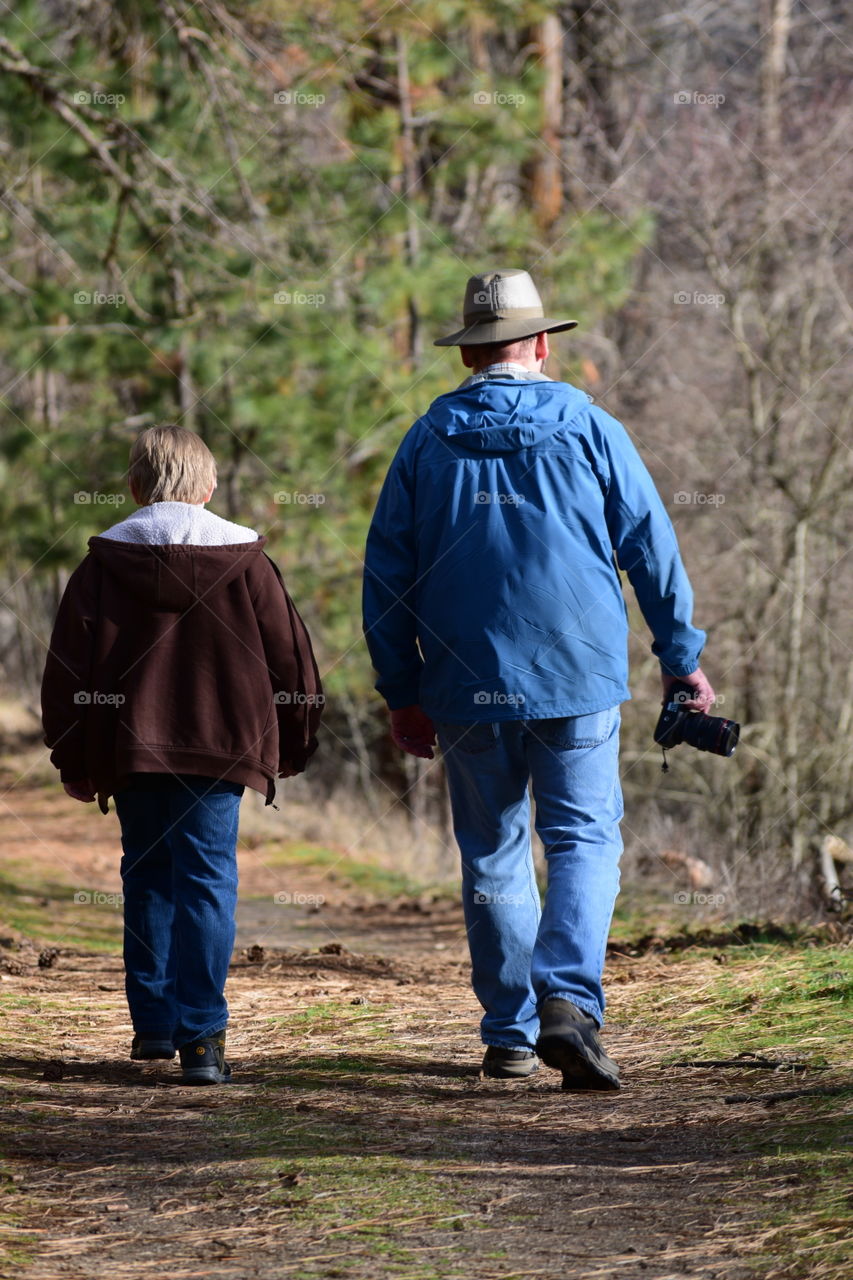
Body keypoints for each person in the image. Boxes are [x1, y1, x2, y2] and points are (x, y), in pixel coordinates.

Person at [363, 269, 713, 1090]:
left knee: (491, 850)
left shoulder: (424, 441)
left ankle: (510, 1035)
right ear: (542, 343)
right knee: (584, 838)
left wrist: (399, 688)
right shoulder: (590, 426)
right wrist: (680, 656)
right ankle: (567, 1002)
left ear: (468, 356)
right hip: (578, 675)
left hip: (460, 679)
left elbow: (385, 576)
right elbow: (650, 550)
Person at [41, 425, 322, 1084]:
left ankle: (155, 1027)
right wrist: (294, 740)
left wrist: (73, 757)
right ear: (209, 486)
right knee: (204, 881)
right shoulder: (246, 562)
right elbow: (293, 663)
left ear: (135, 487)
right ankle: (201, 1040)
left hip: (130, 747)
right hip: (220, 750)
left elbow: (66, 671)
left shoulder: (102, 565)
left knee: (145, 878)